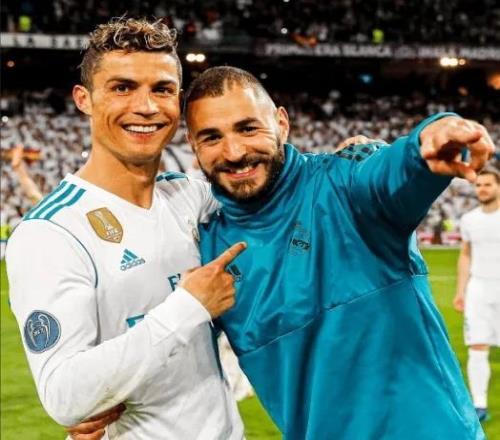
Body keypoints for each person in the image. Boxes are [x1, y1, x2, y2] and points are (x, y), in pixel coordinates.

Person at [183, 66, 494, 439]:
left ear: (281, 123)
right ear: (192, 144)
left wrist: (427, 142)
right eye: (212, 137)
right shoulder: (207, 248)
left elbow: (390, 174)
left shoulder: (345, 183)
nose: (234, 152)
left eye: (248, 129)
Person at [6, 19, 247, 440]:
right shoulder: (50, 232)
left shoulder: (190, 197)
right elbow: (65, 396)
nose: (147, 107)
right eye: (122, 88)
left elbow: (277, 200)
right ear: (84, 99)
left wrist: (349, 160)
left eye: (162, 89)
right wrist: (188, 306)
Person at [453, 169, 500, 422]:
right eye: (479, 185)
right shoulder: (469, 219)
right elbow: (465, 254)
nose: (482, 189)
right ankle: (479, 405)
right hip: (478, 289)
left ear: (498, 187)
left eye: (488, 185)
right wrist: (461, 290)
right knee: (477, 346)